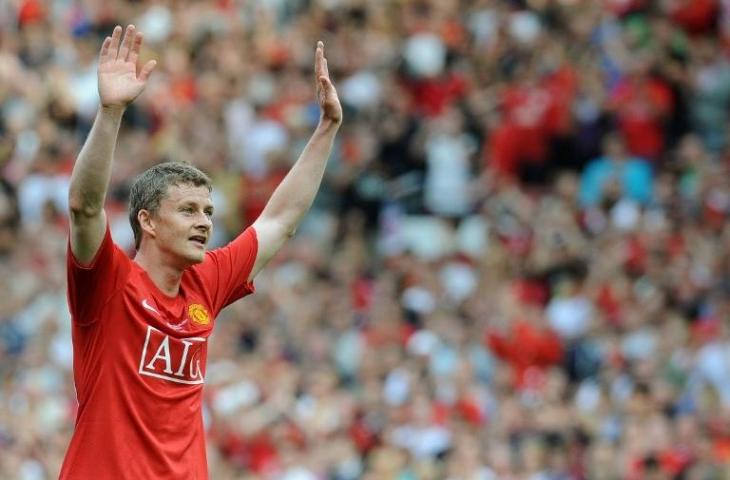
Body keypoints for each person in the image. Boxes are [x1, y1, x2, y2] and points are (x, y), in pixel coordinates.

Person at [60, 24, 342, 479]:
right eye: (188, 210)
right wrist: (110, 113)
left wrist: (327, 129)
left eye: (208, 211)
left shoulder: (205, 281)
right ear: (147, 222)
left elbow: (279, 221)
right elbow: (83, 206)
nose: (204, 222)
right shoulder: (108, 281)